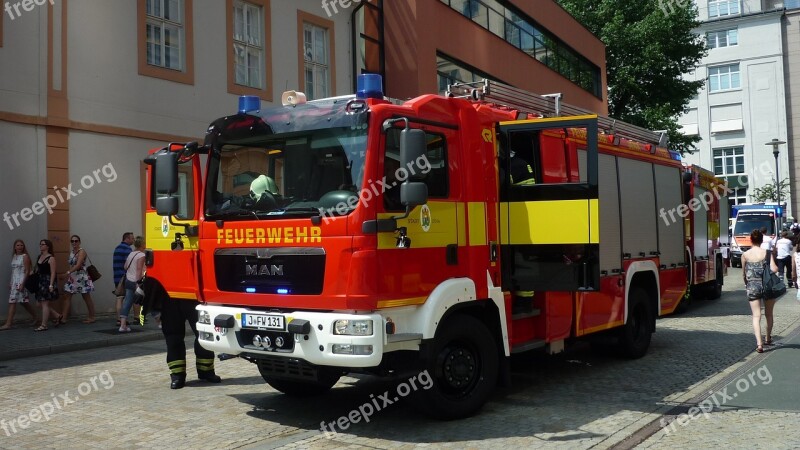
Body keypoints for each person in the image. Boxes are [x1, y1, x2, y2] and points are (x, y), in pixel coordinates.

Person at [742, 229, 779, 353]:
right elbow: (774, 269)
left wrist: (748, 282)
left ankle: (759, 344)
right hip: (767, 286)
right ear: (762, 240)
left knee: (756, 316)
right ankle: (768, 338)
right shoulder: (767, 253)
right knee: (769, 314)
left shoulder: (745, 255)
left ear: (751, 240)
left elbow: (744, 274)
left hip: (752, 286)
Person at [1, 240, 39, 330]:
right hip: (14, 282)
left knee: (12, 302)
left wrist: (22, 283)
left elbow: (26, 271)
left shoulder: (25, 257)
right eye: (18, 245)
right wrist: (11, 282)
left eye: (21, 245)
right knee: (23, 302)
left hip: (21, 281)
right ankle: (36, 317)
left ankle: (8, 323)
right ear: (15, 247)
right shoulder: (14, 256)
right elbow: (14, 271)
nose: (20, 247)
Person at [60, 235, 97, 324]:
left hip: (81, 277)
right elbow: (72, 265)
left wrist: (67, 273)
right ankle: (63, 318)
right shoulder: (72, 252)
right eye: (72, 241)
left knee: (86, 297)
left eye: (76, 241)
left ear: (79, 242)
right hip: (73, 277)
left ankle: (92, 317)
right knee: (67, 296)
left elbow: (78, 265)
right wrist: (69, 274)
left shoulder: (82, 251)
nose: (74, 243)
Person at [119, 236, 146, 333]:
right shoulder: (141, 255)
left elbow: (125, 267)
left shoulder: (131, 254)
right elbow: (139, 270)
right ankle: (159, 322)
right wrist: (138, 283)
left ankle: (122, 325)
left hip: (128, 281)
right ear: (143, 244)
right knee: (147, 300)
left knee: (127, 302)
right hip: (136, 281)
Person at [34, 239, 62, 331]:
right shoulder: (39, 256)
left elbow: (53, 272)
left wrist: (51, 285)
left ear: (47, 246)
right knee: (39, 304)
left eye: (43, 244)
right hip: (40, 281)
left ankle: (44, 325)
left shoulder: (51, 258)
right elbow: (37, 269)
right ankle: (57, 315)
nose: (41, 246)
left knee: (45, 303)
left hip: (47, 281)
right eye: (40, 244)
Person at [113, 232, 134, 325]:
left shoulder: (117, 248)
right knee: (127, 299)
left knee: (119, 298)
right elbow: (129, 264)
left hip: (117, 277)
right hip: (125, 277)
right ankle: (123, 319)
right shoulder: (127, 249)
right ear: (127, 239)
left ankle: (118, 319)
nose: (133, 240)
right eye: (132, 238)